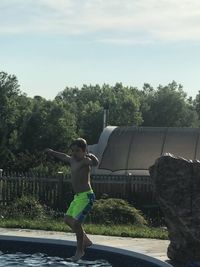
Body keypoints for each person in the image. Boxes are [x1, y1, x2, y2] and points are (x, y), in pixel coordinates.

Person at [45, 138, 99, 261]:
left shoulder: (86, 161)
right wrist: (52, 152)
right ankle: (85, 240)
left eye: (78, 150)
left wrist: (93, 157)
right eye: (73, 150)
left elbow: (95, 163)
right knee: (67, 219)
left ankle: (80, 251)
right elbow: (63, 156)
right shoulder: (72, 160)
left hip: (86, 197)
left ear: (85, 151)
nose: (74, 153)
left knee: (76, 223)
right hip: (77, 197)